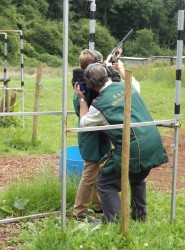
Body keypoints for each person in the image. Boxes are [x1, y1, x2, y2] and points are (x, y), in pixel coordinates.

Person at [74, 63, 169, 223]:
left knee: (104, 184)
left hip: (132, 148)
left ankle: (115, 222)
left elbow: (84, 123)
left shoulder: (98, 105)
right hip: (153, 141)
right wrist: (122, 70)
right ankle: (140, 217)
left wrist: (82, 99)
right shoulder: (128, 86)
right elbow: (135, 83)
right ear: (108, 75)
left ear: (91, 85)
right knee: (138, 178)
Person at [72, 49, 121, 222]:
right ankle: (79, 212)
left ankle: (99, 206)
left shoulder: (84, 86)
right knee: (90, 173)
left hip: (98, 135)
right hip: (91, 137)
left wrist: (113, 60)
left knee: (97, 172)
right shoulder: (84, 90)